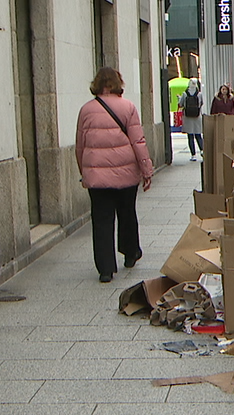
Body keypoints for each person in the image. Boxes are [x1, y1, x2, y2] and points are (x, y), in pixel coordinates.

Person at [76, 66, 154, 283]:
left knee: (101, 220)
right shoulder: (128, 107)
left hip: (97, 178)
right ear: (116, 83)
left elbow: (80, 146)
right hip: (126, 174)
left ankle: (105, 269)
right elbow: (138, 142)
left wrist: (84, 172)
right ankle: (130, 253)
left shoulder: (86, 110)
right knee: (127, 213)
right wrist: (147, 170)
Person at [178, 78, 204, 160]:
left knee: (190, 136)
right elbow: (201, 103)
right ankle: (202, 150)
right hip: (197, 116)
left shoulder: (185, 94)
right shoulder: (199, 94)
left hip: (188, 117)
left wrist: (179, 98)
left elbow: (181, 104)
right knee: (198, 135)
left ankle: (193, 155)